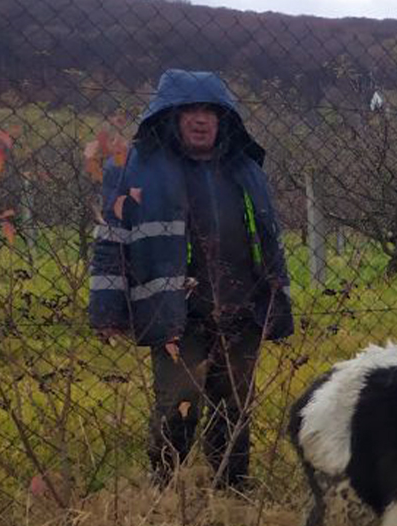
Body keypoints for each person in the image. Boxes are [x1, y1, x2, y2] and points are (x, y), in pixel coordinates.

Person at [89, 69, 293, 489]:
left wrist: (277, 302)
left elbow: (270, 241)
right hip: (175, 313)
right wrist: (107, 309)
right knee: (179, 401)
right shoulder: (134, 168)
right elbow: (111, 242)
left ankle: (232, 486)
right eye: (189, 111)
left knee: (235, 404)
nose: (200, 120)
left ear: (224, 119)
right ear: (169, 116)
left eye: (210, 111)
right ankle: (164, 488)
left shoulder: (246, 169)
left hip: (243, 309)